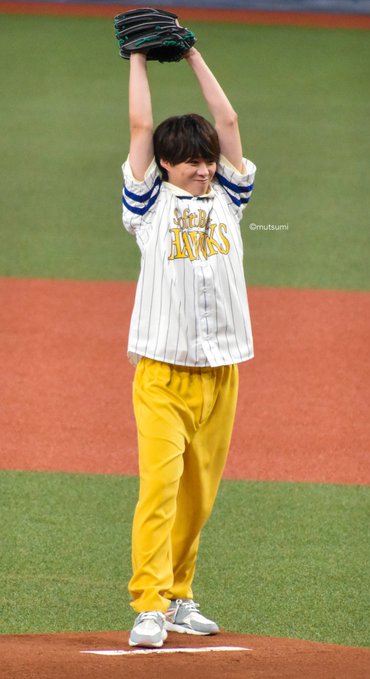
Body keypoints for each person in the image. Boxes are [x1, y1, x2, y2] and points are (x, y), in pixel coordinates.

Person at [121, 47, 256, 648]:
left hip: (222, 375)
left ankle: (179, 596)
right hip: (162, 374)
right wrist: (138, 59)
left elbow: (228, 121)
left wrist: (195, 54)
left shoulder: (228, 198)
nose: (203, 170)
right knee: (160, 491)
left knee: (198, 500)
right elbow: (140, 127)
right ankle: (149, 605)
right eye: (191, 162)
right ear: (165, 166)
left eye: (207, 161)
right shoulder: (149, 205)